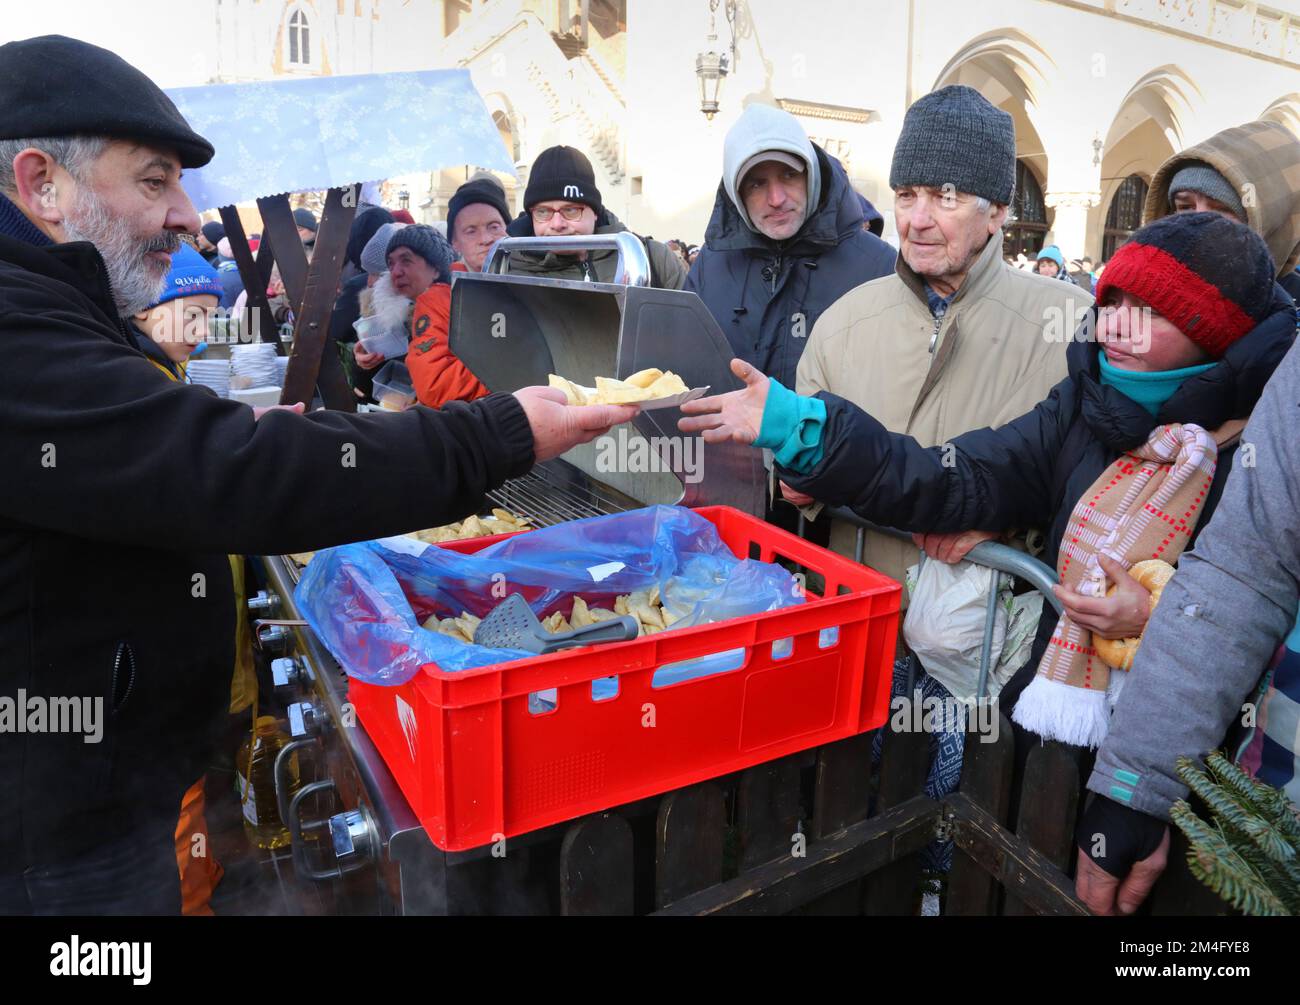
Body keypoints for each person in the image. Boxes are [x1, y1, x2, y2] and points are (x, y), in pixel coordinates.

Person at [0, 34, 637, 915]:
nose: (186, 213)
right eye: (155, 180)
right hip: (53, 847)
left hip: (97, 808)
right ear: (42, 184)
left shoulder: (49, 303)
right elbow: (226, 475)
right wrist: (501, 433)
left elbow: (155, 454)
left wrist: (227, 432)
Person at [680, 212, 1294, 753]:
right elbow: (960, 475)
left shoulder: (1275, 441)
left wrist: (1160, 620)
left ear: (1216, 329)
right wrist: (804, 429)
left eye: (1150, 312)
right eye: (1112, 304)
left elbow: (1267, 604)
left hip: (1208, 780)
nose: (1114, 329)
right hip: (1052, 726)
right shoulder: (1083, 401)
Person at [790, 85, 1093, 598]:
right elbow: (801, 473)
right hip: (858, 631)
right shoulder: (842, 322)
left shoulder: (1072, 324)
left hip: (983, 657)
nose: (918, 219)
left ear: (996, 211)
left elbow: (1096, 482)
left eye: (944, 197)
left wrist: (1010, 519)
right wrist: (794, 471)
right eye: (907, 195)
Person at [1073, 337, 1300, 915]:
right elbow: (1248, 568)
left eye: (1148, 309)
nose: (1121, 327)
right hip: (1275, 827)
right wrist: (1132, 789)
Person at [684, 102, 896, 392]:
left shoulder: (879, 266)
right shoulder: (710, 266)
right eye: (757, 184)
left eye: (789, 175)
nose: (776, 198)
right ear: (737, 194)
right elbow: (683, 370)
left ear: (811, 176)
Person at [1144, 119, 1300, 302]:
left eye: (1221, 209)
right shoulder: (1138, 291)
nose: (1196, 222)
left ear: (1270, 223)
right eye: (1185, 207)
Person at [504, 145, 686, 288]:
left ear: (595, 213)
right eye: (543, 212)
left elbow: (689, 332)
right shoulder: (506, 269)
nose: (557, 224)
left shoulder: (653, 259)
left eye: (571, 210)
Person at [446, 176, 510, 274]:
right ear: (454, 242)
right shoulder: (447, 287)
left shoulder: (534, 278)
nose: (486, 239)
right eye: (471, 231)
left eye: (494, 227)